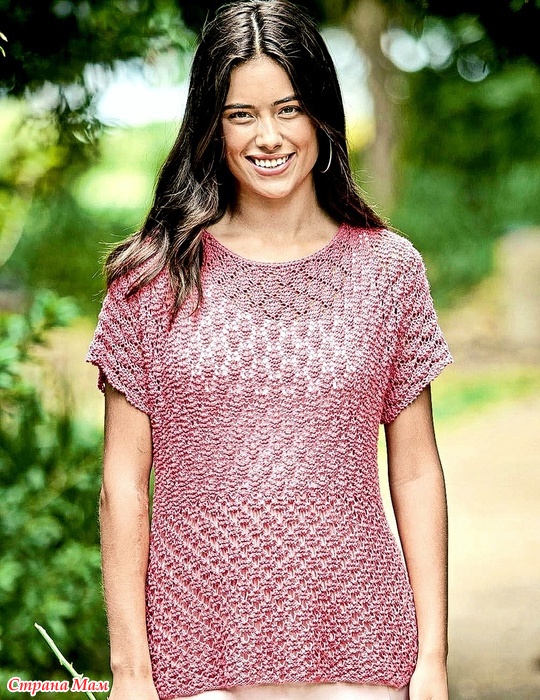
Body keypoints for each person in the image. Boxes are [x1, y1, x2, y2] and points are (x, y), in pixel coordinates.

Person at [86, 1, 453, 699]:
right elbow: (122, 486)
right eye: (241, 114)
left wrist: (431, 659)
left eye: (289, 109)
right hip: (195, 650)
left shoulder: (389, 271)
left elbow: (415, 473)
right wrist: (130, 672)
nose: (269, 137)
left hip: (362, 648)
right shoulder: (152, 277)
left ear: (321, 114)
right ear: (211, 126)